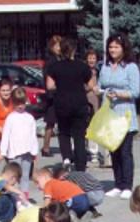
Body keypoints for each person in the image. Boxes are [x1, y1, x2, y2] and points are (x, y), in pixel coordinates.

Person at [99, 34, 140, 199]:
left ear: (124, 48)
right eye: (110, 47)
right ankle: (117, 184)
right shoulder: (106, 67)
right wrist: (101, 91)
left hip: (125, 114)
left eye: (116, 47)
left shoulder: (131, 67)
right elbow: (102, 86)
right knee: (114, 151)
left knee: (125, 152)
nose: (113, 50)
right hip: (109, 113)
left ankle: (127, 185)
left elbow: (135, 91)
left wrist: (119, 94)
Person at [44, 35, 94, 171]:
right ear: (74, 50)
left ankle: (66, 157)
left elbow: (49, 86)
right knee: (79, 134)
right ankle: (81, 164)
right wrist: (79, 86)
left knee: (64, 132)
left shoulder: (55, 67)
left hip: (62, 103)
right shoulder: (82, 67)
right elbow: (91, 85)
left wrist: (62, 85)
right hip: (79, 103)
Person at [0, 87, 39, 201]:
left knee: (25, 176)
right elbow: (5, 135)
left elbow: (32, 135)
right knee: (14, 177)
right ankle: (15, 198)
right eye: (17, 103)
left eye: (22, 103)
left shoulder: (29, 118)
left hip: (27, 151)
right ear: (13, 103)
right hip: (14, 152)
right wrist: (3, 151)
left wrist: (34, 151)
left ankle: (24, 198)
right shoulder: (10, 118)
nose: (20, 106)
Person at [40, 35, 64, 159]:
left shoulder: (60, 59)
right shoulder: (51, 61)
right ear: (52, 47)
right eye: (56, 46)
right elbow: (48, 79)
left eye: (60, 45)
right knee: (50, 123)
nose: (59, 48)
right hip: (53, 96)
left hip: (58, 95)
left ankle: (55, 146)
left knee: (56, 122)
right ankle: (46, 147)